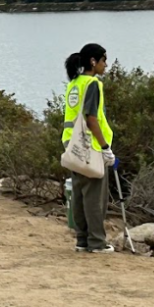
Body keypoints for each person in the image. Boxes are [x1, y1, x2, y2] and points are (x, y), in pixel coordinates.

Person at [62, 43, 116, 254]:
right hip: (89, 146)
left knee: (79, 193)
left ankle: (82, 240)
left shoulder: (74, 83)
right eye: (104, 60)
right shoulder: (92, 84)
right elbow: (91, 118)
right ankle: (96, 242)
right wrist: (104, 147)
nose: (106, 65)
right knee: (94, 196)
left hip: (71, 144)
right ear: (93, 61)